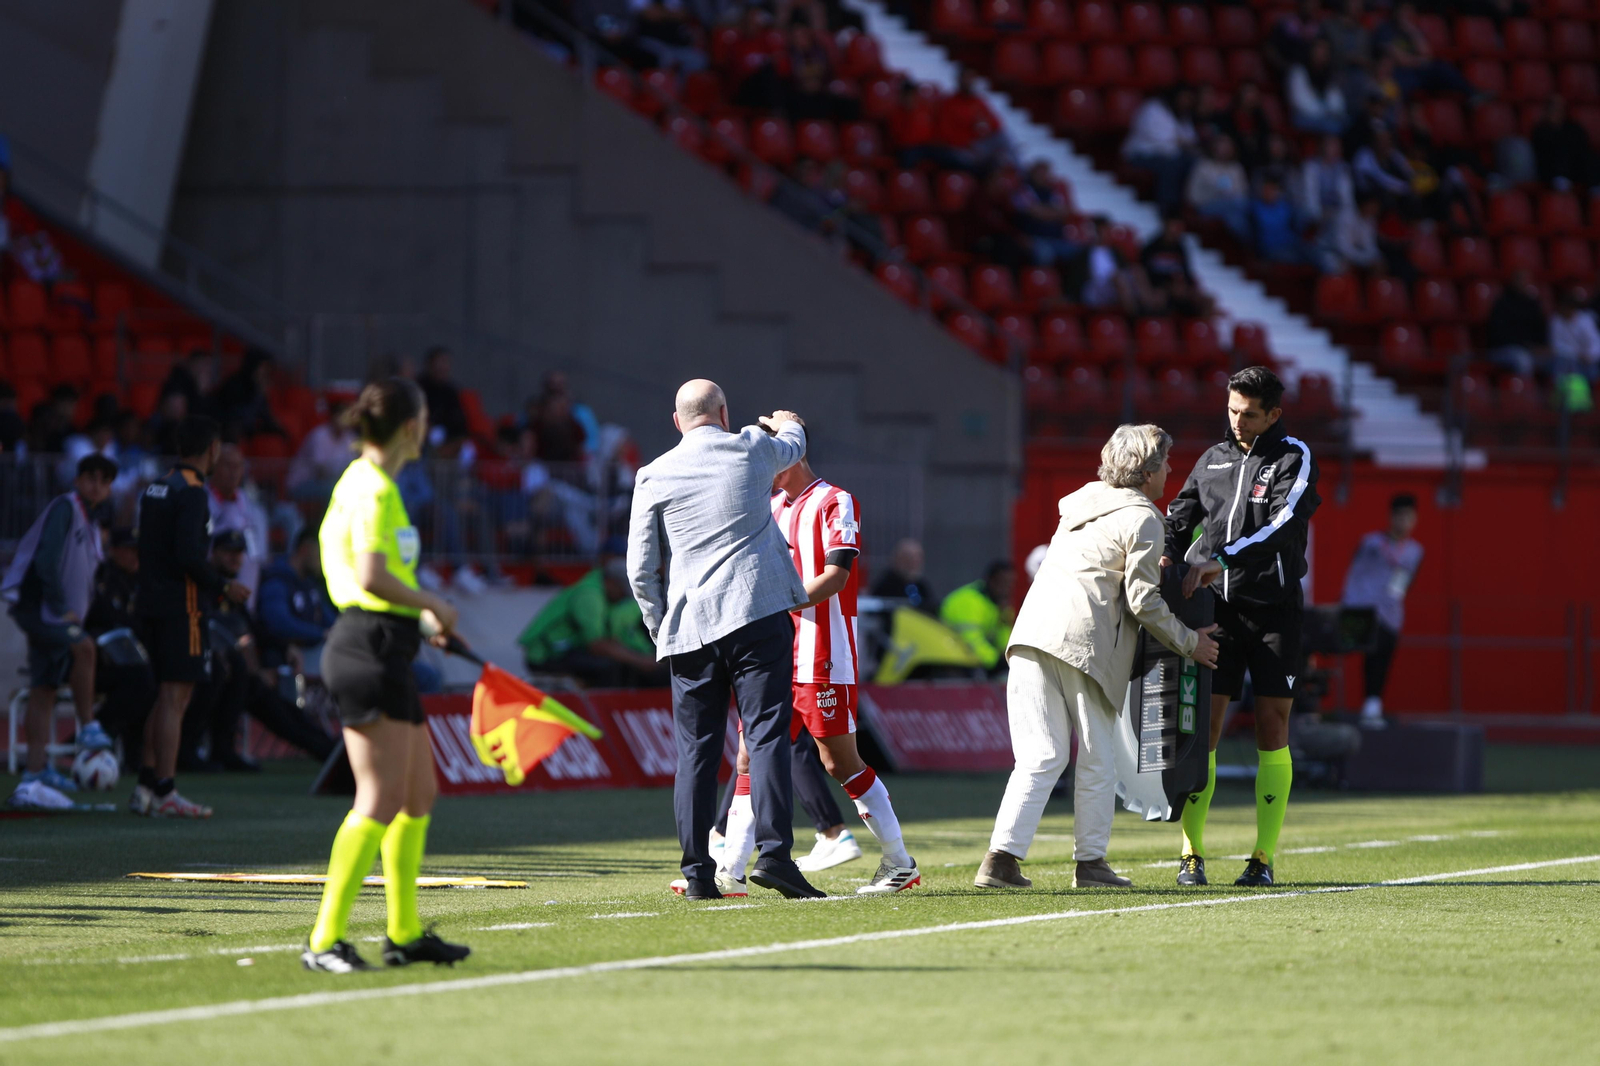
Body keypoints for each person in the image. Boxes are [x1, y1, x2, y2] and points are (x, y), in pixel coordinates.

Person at [976, 425, 1220, 890]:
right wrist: (1191, 641)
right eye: (1166, 463)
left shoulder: (1080, 503)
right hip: (1085, 644)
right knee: (1096, 759)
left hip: (1030, 634)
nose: (1171, 470)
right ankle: (1090, 864)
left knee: (1039, 757)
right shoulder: (1146, 518)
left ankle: (1000, 861)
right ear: (1147, 472)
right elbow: (1144, 602)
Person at [626, 379, 821, 900]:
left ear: (677, 421)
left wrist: (658, 625)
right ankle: (776, 857)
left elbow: (640, 568)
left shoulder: (653, 473)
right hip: (757, 615)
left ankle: (696, 875)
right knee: (766, 737)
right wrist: (787, 422)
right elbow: (795, 446)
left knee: (695, 752)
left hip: (689, 628)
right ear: (725, 413)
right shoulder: (752, 448)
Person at [304, 377, 471, 973]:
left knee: (418, 794)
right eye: (424, 419)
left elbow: (373, 577)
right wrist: (435, 604)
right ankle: (324, 941)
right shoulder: (374, 487)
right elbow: (372, 578)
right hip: (366, 647)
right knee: (377, 800)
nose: (427, 429)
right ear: (410, 427)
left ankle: (402, 934)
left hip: (388, 645)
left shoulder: (365, 481)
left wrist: (423, 622)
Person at [710, 445, 920, 897]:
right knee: (750, 754)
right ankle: (730, 869)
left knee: (837, 760)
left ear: (794, 452)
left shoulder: (834, 501)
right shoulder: (769, 507)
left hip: (825, 652)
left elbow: (837, 576)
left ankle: (900, 863)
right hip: (774, 652)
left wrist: (773, 602)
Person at [1164, 366, 1322, 888]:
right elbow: (1177, 518)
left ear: (1274, 414)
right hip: (1216, 614)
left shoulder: (1293, 457)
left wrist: (1223, 558)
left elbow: (1284, 525)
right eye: (1232, 410)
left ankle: (1263, 857)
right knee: (1202, 731)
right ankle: (1192, 854)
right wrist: (1165, 558)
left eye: (1249, 413)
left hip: (1276, 610)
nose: (1237, 421)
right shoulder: (1212, 459)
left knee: (1272, 729)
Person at [132, 416, 252, 818]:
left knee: (165, 695)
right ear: (212, 449)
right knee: (175, 696)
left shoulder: (156, 486)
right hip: (181, 604)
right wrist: (223, 586)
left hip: (149, 601)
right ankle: (166, 788)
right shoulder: (194, 491)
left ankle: (147, 786)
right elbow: (188, 555)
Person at [1, 454, 119, 807]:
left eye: (104, 480)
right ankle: (88, 728)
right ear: (78, 480)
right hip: (42, 609)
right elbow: (46, 558)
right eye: (91, 478)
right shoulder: (66, 508)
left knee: (44, 690)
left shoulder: (91, 519)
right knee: (84, 649)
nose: (96, 485)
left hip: (49, 613)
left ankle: (35, 772)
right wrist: (58, 605)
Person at [184, 530, 336, 771]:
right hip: (206, 671)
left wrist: (285, 648)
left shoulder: (232, 591)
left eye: (239, 554)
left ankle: (330, 750)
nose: (235, 560)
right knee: (239, 673)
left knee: (279, 707)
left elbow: (258, 631)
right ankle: (197, 750)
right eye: (228, 554)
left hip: (240, 678)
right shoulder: (204, 588)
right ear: (214, 554)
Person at [1341, 493, 1423, 726]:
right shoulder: (1371, 543)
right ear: (1391, 517)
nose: (1404, 522)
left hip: (1390, 615)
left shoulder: (1414, 551)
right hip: (1361, 611)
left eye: (1409, 517)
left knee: (1382, 653)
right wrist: (1348, 603)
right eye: (1400, 516)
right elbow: (1354, 574)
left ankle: (1372, 705)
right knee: (1367, 646)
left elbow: (1403, 585)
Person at [518, 557, 665, 687]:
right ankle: (603, 712)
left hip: (569, 649)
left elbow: (612, 638)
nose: (623, 597)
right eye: (622, 591)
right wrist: (640, 661)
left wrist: (645, 656)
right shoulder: (589, 596)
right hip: (546, 655)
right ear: (611, 582)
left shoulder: (602, 594)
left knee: (624, 664)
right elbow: (597, 644)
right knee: (611, 666)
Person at [84, 527, 158, 768]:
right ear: (113, 551)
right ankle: (100, 733)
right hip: (97, 662)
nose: (134, 556)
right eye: (128, 550)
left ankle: (132, 752)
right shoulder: (102, 577)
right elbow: (103, 615)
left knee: (151, 678)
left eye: (137, 550)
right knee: (141, 680)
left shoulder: (141, 582)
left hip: (130, 661)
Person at [256, 528, 338, 670]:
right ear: (306, 549)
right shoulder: (277, 580)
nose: (324, 559)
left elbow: (330, 620)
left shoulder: (310, 584)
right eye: (321, 553)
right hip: (284, 659)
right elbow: (278, 624)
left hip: (313, 655)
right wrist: (320, 634)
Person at [207, 444, 270, 605]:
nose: (233, 472)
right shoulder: (201, 501)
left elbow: (259, 554)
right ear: (214, 466)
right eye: (228, 465)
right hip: (211, 579)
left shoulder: (252, 507)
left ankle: (245, 617)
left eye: (238, 466)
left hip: (243, 578)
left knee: (251, 562)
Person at [1122, 85, 1199, 213]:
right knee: (1171, 164)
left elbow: (1190, 140)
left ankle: (1190, 209)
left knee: (1194, 162)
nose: (1186, 102)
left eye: (1189, 98)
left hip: (1170, 156)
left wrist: (1183, 143)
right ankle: (1167, 209)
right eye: (1184, 98)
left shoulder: (1182, 114)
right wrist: (1181, 142)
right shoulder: (1152, 109)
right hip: (1141, 155)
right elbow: (1162, 140)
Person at [940, 560, 1016, 675]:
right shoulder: (969, 601)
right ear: (990, 581)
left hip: (973, 661)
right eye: (1002, 583)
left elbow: (1003, 641)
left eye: (1010, 584)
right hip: (950, 664)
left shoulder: (1000, 605)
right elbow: (971, 642)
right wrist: (998, 660)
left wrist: (1009, 657)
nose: (1006, 589)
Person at [1185, 135, 1253, 240]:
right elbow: (1192, 194)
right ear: (1214, 147)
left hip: (1232, 206)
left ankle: (1248, 245)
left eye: (1228, 147)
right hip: (1206, 205)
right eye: (1222, 146)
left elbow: (1242, 191)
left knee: (1234, 218)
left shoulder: (1236, 168)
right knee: (1241, 204)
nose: (1225, 149)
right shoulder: (1203, 166)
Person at [1485, 270, 1549, 378]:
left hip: (1530, 350)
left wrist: (1543, 346)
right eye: (1521, 280)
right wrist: (1527, 346)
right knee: (1523, 360)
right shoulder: (1502, 304)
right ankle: (1523, 393)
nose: (1525, 283)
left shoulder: (1533, 305)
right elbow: (1499, 335)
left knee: (1559, 360)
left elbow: (1540, 330)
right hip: (1504, 349)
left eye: (1527, 281)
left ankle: (1557, 393)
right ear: (1513, 282)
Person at [1531, 96, 1595, 191]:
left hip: (1576, 168)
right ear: (1547, 110)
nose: (1557, 111)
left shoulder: (1573, 128)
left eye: (1560, 108)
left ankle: (1595, 187)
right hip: (1551, 171)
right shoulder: (1540, 130)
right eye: (1554, 108)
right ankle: (1561, 180)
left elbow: (1583, 147)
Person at [1287, 39, 1349, 135]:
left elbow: (1336, 99)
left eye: (1325, 51)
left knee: (1347, 122)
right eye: (1319, 50)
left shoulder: (1328, 73)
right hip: (1303, 115)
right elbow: (1300, 101)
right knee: (1334, 127)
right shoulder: (1298, 70)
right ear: (1311, 50)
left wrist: (1333, 111)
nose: (1321, 54)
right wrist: (1324, 112)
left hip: (1325, 115)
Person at [416, 346, 469, 446]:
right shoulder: (419, 387)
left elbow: (459, 422)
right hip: (422, 436)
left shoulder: (451, 391)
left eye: (446, 363)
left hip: (448, 438)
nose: (442, 367)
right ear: (430, 364)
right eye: (439, 363)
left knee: (468, 450)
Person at [1549, 287, 1600, 385]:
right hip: (1568, 359)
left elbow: (1596, 343)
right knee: (1564, 363)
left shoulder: (1585, 321)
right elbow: (1556, 345)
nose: (1563, 311)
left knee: (1590, 370)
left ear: (1572, 308)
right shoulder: (1556, 321)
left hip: (1588, 361)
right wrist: (1577, 355)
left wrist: (1589, 356)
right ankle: (1561, 392)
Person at [871, 537, 935, 611]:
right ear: (898, 559)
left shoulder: (921, 585)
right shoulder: (886, 584)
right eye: (909, 557)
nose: (913, 562)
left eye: (917, 558)